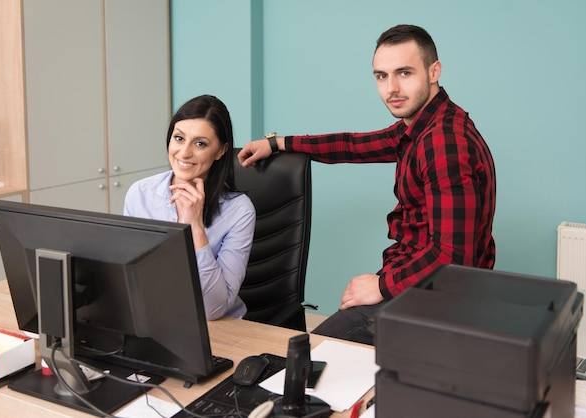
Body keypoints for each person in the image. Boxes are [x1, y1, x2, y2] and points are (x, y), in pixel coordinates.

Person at [238, 24, 496, 345]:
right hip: (415, 284)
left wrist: (381, 286)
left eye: (404, 73)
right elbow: (351, 145)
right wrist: (278, 143)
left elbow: (454, 258)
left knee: (307, 358)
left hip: (433, 300)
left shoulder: (444, 143)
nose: (392, 88)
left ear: (434, 72)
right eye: (381, 76)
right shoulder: (422, 128)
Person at [125, 94, 256, 320]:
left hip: (218, 329)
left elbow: (212, 310)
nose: (184, 153)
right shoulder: (141, 194)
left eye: (200, 143)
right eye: (179, 138)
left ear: (221, 151)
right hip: (155, 319)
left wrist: (194, 226)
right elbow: (131, 280)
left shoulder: (239, 210)